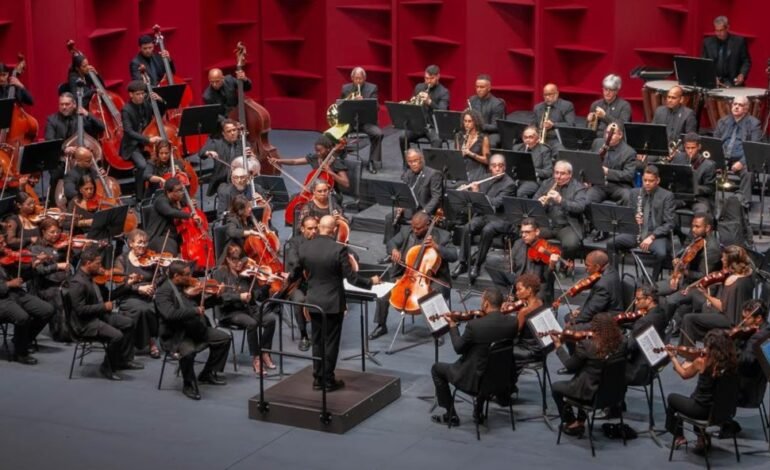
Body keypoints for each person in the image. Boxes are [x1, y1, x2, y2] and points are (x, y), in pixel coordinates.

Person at [286, 215, 380, 391]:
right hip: (333, 303)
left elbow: (296, 272)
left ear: (320, 227)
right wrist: (371, 282)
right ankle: (328, 380)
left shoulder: (305, 247)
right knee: (330, 342)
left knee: (317, 341)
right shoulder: (339, 250)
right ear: (334, 229)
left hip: (313, 301)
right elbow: (351, 279)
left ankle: (317, 379)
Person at [430, 287, 518, 426]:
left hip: (475, 381)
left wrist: (453, 325)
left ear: (486, 304)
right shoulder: (513, 323)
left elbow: (458, 348)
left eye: (482, 300)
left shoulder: (475, 325)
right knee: (486, 363)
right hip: (502, 378)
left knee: (436, 369)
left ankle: (451, 415)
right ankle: (479, 410)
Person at [371, 212, 457, 339]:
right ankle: (381, 325)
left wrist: (437, 247)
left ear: (427, 225)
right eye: (413, 227)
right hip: (407, 274)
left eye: (418, 228)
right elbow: (391, 243)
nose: (415, 230)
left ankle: (438, 330)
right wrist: (394, 250)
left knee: (435, 293)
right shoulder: (407, 231)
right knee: (384, 292)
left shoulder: (443, 236)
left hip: (435, 277)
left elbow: (453, 256)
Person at [154, 260, 231, 400]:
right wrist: (194, 310)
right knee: (188, 352)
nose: (191, 278)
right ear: (176, 276)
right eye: (187, 275)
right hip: (177, 335)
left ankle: (207, 373)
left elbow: (202, 306)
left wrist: (216, 297)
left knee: (223, 339)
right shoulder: (163, 292)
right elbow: (170, 314)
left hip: (195, 328)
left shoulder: (187, 287)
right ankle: (188, 384)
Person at [68, 246, 140, 380]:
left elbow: (109, 296)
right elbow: (80, 310)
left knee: (129, 323)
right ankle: (107, 368)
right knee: (117, 336)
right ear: (88, 263)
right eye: (98, 264)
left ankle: (122, 360)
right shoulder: (77, 282)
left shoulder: (91, 278)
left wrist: (127, 285)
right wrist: (103, 307)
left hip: (98, 316)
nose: (101, 267)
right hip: (85, 323)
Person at [550, 313, 626, 436]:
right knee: (587, 376)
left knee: (556, 388)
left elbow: (570, 366)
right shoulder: (622, 343)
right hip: (612, 392)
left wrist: (558, 345)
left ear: (594, 328)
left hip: (590, 394)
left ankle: (571, 422)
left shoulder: (588, 345)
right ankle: (580, 420)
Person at [666, 330, 738, 454]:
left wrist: (673, 358)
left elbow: (684, 374)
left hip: (702, 411)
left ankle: (679, 437)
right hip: (723, 411)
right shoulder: (733, 363)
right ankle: (702, 437)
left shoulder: (702, 362)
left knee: (672, 398)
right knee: (695, 396)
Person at [212, 243, 277, 375]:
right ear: (228, 259)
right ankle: (256, 358)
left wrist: (266, 286)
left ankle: (265, 352)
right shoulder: (219, 273)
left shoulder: (247, 273)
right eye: (234, 260)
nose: (239, 264)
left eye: (240, 260)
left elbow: (258, 296)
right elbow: (220, 298)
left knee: (270, 319)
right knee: (251, 323)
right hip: (229, 311)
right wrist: (239, 297)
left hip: (248, 308)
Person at [451, 154, 516, 284]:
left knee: (487, 230)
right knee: (468, 227)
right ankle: (463, 262)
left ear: (504, 167)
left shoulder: (510, 184)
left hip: (501, 219)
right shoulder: (485, 178)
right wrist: (467, 191)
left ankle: (477, 265)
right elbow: (476, 201)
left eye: (500, 166)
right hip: (485, 215)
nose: (497, 169)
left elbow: (496, 203)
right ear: (490, 167)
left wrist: (477, 194)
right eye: (494, 166)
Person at [606, 165, 676, 281]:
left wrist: (652, 236)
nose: (647, 183)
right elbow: (627, 215)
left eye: (651, 181)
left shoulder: (667, 196)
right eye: (645, 180)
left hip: (655, 234)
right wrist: (634, 218)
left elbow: (669, 223)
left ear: (658, 181)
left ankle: (652, 281)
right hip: (636, 232)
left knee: (661, 253)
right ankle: (613, 277)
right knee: (611, 243)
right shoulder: (635, 193)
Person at [680, 245, 754, 346]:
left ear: (731, 261)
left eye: (724, 258)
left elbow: (722, 307)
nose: (722, 259)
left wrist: (706, 294)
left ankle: (688, 355)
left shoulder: (731, 280)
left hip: (730, 321)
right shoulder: (748, 275)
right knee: (706, 310)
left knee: (689, 318)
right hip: (742, 319)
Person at [662, 213, 722, 334]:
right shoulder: (697, 239)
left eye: (697, 226)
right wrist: (678, 263)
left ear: (708, 228)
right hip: (684, 279)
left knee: (671, 300)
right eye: (692, 226)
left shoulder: (712, 249)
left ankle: (662, 327)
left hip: (699, 287)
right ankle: (667, 320)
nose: (693, 229)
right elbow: (686, 255)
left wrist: (684, 272)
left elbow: (704, 277)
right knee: (653, 290)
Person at [0, 233, 54, 364]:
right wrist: (8, 284)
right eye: (0, 243)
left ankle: (23, 340)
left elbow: (23, 277)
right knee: (22, 317)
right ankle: (21, 353)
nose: (5, 245)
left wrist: (34, 265)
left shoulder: (7, 257)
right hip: (2, 299)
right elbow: (9, 283)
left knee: (48, 310)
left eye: (4, 241)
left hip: (15, 293)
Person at [45, 91, 105, 200]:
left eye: (67, 104)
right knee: (55, 176)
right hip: (62, 159)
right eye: (61, 104)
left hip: (84, 163)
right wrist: (64, 149)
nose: (64, 107)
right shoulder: (52, 120)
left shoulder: (81, 118)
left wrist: (87, 114)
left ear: (74, 105)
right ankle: (54, 202)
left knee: (97, 173)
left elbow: (101, 127)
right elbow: (50, 142)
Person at [113, 229, 161, 358]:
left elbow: (158, 278)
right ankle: (151, 342)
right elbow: (120, 284)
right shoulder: (122, 260)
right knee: (143, 310)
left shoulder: (151, 258)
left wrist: (153, 286)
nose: (143, 246)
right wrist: (138, 289)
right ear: (130, 244)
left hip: (149, 294)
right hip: (129, 295)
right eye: (139, 242)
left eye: (145, 242)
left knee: (163, 306)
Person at [381, 148, 442, 247]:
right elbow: (402, 192)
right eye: (410, 162)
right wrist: (401, 205)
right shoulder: (408, 174)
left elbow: (436, 197)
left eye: (415, 161)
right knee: (390, 217)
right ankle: (391, 248)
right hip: (409, 208)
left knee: (416, 221)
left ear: (421, 159)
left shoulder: (433, 174)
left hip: (424, 210)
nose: (413, 164)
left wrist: (424, 212)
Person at [483, 218, 555, 301]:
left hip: (536, 287)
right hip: (519, 280)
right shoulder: (518, 243)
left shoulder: (545, 247)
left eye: (527, 232)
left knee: (539, 296)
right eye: (522, 232)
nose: (523, 235)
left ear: (537, 232)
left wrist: (551, 265)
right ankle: (508, 295)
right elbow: (511, 266)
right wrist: (508, 266)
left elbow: (548, 279)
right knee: (491, 263)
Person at [587, 123, 636, 241]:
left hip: (619, 186)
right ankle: (598, 228)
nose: (608, 136)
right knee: (586, 199)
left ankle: (623, 231)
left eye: (612, 133)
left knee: (628, 197)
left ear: (620, 135)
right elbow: (589, 161)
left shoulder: (629, 152)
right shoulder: (598, 143)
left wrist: (608, 172)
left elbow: (628, 175)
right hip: (600, 185)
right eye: (607, 133)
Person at [120, 80, 166, 200]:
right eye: (138, 94)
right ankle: (140, 197)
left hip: (146, 143)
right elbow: (128, 131)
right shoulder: (126, 110)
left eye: (143, 94)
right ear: (131, 94)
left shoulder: (145, 104)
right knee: (142, 165)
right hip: (133, 145)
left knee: (159, 159)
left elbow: (158, 114)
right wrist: (148, 140)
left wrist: (160, 101)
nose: (141, 96)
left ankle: (155, 192)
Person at [712, 95, 762, 208]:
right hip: (723, 158)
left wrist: (742, 162)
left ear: (746, 108)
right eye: (735, 104)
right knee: (704, 165)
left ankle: (742, 204)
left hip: (741, 159)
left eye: (740, 105)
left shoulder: (754, 124)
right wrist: (717, 159)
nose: (736, 107)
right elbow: (714, 142)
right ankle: (706, 198)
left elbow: (754, 147)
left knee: (748, 172)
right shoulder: (723, 121)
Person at [533, 160, 588, 261]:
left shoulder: (578, 188)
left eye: (562, 174)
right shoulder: (547, 183)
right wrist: (538, 203)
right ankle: (539, 263)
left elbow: (580, 207)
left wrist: (561, 200)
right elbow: (534, 201)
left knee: (571, 244)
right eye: (556, 172)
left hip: (566, 226)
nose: (558, 176)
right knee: (529, 235)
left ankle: (564, 266)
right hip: (547, 224)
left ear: (570, 174)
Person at [30, 218, 73, 342]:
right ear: (43, 231)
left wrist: (67, 250)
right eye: (52, 232)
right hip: (45, 284)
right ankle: (60, 332)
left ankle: (77, 327)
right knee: (57, 294)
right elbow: (40, 271)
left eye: (57, 232)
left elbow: (72, 260)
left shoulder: (60, 245)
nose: (56, 235)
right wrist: (57, 266)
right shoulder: (36, 248)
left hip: (61, 280)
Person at [283, 215, 319, 351]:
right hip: (297, 282)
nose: (314, 231)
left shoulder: (321, 241)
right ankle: (304, 335)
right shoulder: (295, 242)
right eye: (310, 228)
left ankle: (321, 332)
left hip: (316, 282)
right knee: (299, 300)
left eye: (316, 228)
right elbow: (293, 259)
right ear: (302, 229)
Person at [399, 64, 450, 156]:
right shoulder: (419, 87)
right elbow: (413, 104)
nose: (428, 81)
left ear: (438, 76)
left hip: (434, 126)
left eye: (431, 78)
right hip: (418, 125)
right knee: (403, 137)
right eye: (426, 78)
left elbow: (442, 112)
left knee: (437, 140)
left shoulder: (444, 92)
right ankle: (407, 164)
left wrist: (430, 102)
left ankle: (433, 167)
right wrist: (406, 104)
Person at [339, 67, 383, 174]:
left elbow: (376, 107)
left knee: (378, 134)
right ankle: (340, 158)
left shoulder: (372, 88)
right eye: (356, 78)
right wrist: (351, 102)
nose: (358, 81)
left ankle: (372, 161)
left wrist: (363, 102)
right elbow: (340, 106)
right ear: (352, 78)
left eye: (360, 78)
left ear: (364, 78)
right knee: (337, 133)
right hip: (350, 121)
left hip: (366, 122)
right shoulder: (346, 88)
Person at [269, 134, 350, 193]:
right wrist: (278, 161)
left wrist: (330, 172)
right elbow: (295, 162)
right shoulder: (315, 157)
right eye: (316, 150)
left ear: (328, 149)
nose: (317, 153)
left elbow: (346, 183)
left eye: (320, 150)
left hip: (330, 194)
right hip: (314, 191)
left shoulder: (336, 162)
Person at [144, 178, 202, 255]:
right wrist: (191, 215)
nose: (181, 193)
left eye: (182, 190)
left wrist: (191, 206)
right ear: (168, 192)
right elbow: (170, 212)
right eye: (178, 191)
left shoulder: (179, 199)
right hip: (160, 236)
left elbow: (183, 210)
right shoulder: (160, 201)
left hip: (176, 235)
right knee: (171, 251)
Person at [624, 286, 668, 387]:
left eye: (638, 299)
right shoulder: (661, 313)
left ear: (649, 299)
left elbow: (628, 347)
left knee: (605, 366)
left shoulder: (644, 321)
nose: (635, 303)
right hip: (652, 366)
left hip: (638, 371)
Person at [565, 250, 622, 327]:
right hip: (605, 310)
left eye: (588, 265)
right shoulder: (611, 270)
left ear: (597, 267)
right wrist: (581, 310)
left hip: (607, 321)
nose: (585, 268)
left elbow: (592, 311)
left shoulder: (602, 285)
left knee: (569, 319)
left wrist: (573, 322)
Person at [198, 119, 255, 196]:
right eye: (229, 131)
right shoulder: (217, 143)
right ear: (223, 134)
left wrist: (252, 156)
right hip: (222, 180)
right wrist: (209, 152)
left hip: (241, 179)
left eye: (234, 130)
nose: (232, 133)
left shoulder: (243, 143)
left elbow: (252, 163)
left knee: (255, 189)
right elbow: (201, 153)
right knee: (228, 192)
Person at [511, 273, 546, 385]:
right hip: (540, 348)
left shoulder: (524, 311)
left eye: (519, 290)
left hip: (528, 350)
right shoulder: (540, 302)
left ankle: (505, 388)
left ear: (529, 290)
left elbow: (515, 332)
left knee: (498, 351)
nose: (516, 293)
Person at [669, 133, 717, 213]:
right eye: (688, 148)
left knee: (702, 211)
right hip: (680, 196)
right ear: (684, 146)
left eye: (693, 148)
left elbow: (710, 188)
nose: (690, 151)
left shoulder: (709, 165)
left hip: (699, 199)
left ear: (699, 147)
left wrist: (694, 188)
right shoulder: (678, 158)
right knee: (664, 204)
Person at [701, 16, 751, 87]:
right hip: (714, 83)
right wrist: (710, 77)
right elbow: (704, 63)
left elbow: (746, 61)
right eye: (716, 30)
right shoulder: (707, 43)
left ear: (727, 28)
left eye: (721, 30)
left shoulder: (739, 42)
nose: (718, 33)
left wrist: (742, 74)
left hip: (733, 83)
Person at [513, 125, 554, 198]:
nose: (527, 140)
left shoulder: (544, 150)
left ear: (537, 139)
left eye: (531, 137)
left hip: (534, 180)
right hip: (517, 178)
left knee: (520, 192)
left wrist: (533, 171)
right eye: (525, 137)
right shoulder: (517, 148)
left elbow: (549, 172)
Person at [467, 74, 506, 148]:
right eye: (477, 87)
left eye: (482, 87)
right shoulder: (472, 100)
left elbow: (496, 126)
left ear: (489, 88)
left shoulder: (497, 104)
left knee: (490, 143)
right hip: (475, 131)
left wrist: (479, 126)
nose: (478, 89)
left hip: (490, 133)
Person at [533, 83, 575, 147]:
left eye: (550, 94)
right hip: (540, 138)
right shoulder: (538, 107)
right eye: (545, 95)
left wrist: (553, 124)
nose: (547, 97)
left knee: (558, 149)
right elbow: (534, 125)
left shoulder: (566, 106)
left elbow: (570, 124)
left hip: (557, 139)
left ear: (557, 94)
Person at [455, 109, 490, 182]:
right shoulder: (459, 136)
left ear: (475, 122)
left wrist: (470, 153)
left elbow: (487, 160)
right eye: (465, 121)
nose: (466, 124)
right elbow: (457, 156)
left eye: (469, 121)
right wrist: (460, 154)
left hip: (477, 169)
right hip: (463, 168)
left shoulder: (483, 138)